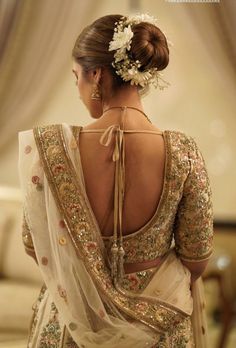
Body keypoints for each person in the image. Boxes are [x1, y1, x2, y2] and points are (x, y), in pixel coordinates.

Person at [18, 13, 214, 348]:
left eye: (76, 77)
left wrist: (88, 282)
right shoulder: (183, 152)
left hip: (74, 325)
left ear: (95, 75)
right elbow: (196, 258)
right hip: (157, 325)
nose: (78, 88)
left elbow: (33, 242)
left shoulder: (51, 151)